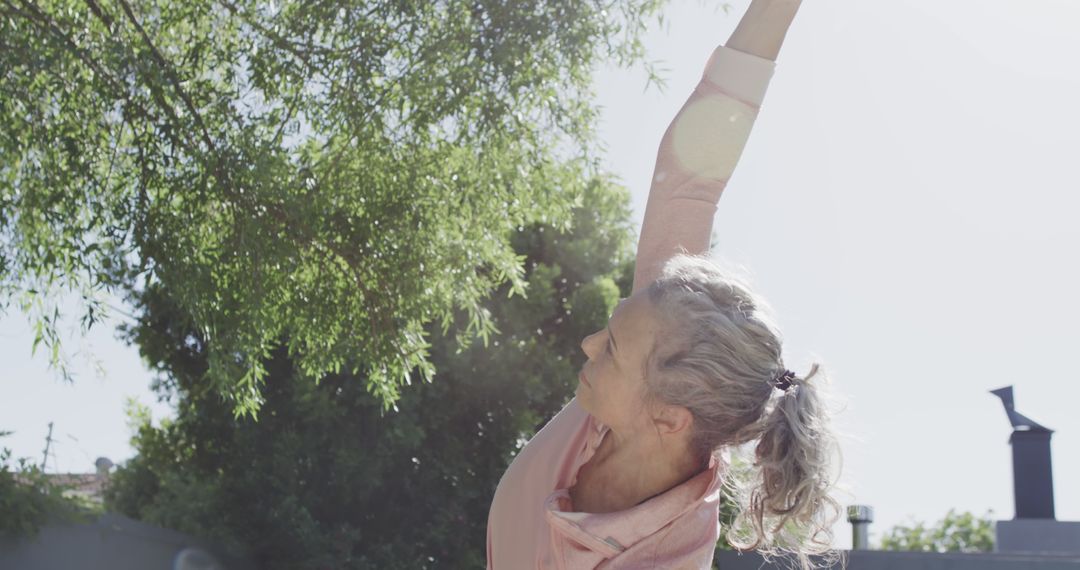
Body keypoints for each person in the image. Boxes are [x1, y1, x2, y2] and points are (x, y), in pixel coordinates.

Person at [486, 0, 840, 568]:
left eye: (614, 349)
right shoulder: (652, 361)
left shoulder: (664, 559)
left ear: (669, 419)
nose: (588, 345)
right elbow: (689, 180)